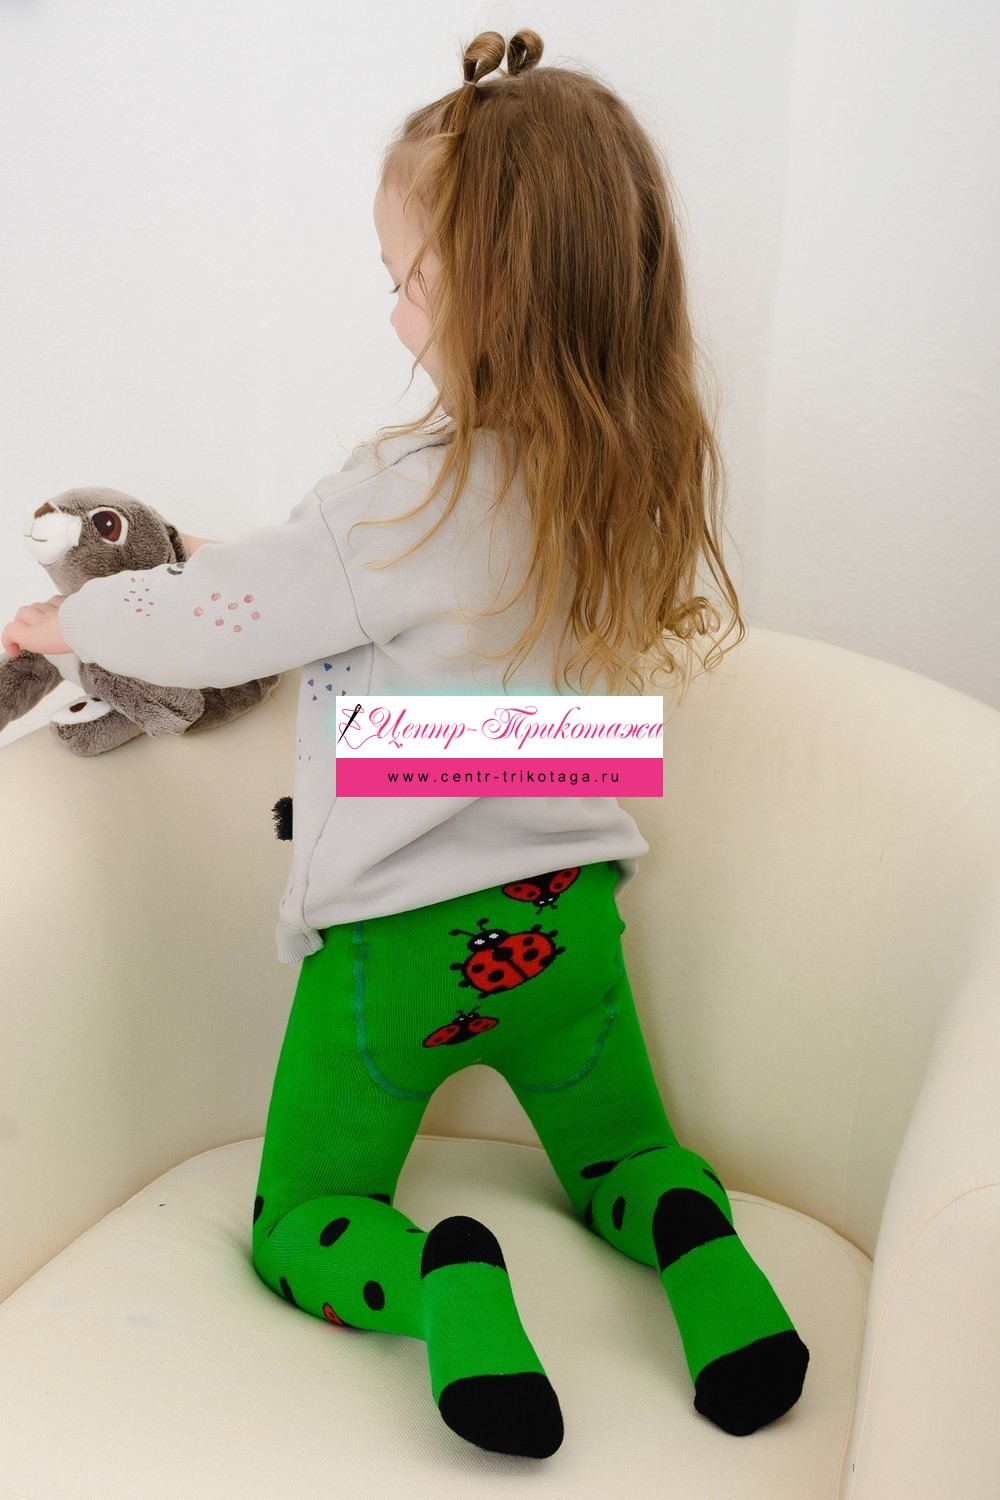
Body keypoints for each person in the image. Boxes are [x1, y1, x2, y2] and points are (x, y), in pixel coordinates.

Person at [2, 28, 808, 1460]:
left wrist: (80, 619)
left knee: (303, 1217)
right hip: (571, 925)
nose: (395, 317)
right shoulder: (626, 477)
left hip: (399, 955)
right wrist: (268, 599)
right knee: (631, 1156)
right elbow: (424, 674)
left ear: (491, 293)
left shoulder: (393, 500)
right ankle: (706, 1261)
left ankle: (445, 1286)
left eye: (406, 282)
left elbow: (226, 622)